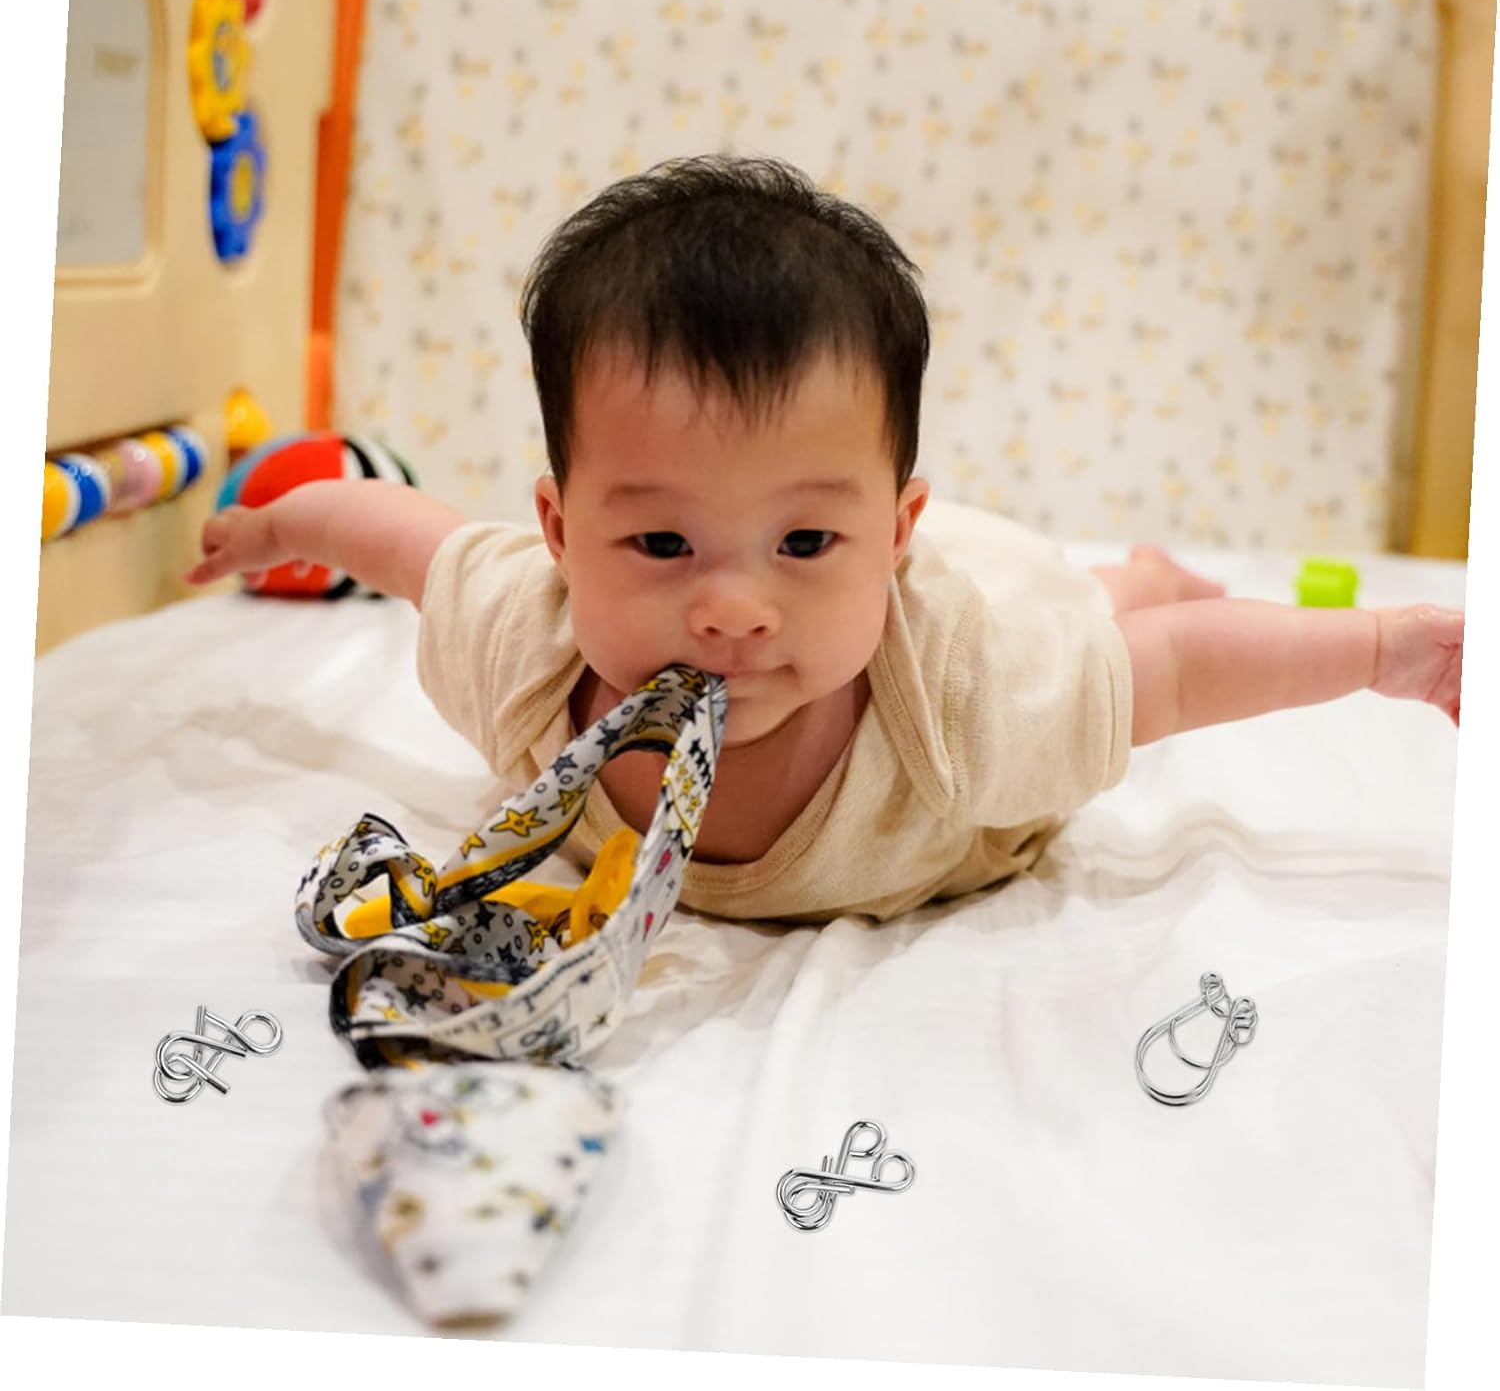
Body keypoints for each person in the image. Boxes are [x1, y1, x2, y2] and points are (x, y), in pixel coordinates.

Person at [186, 156, 1464, 923]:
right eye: (662, 544)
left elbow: (1175, 671)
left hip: (986, 608)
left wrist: (1383, 650)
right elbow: (406, 542)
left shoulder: (961, 699)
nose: (734, 610)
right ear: (561, 533)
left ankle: (1134, 569)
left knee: (1089, 612)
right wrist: (270, 528)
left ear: (893, 533)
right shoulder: (525, 642)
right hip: (885, 580)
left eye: (799, 541)